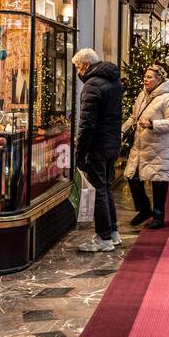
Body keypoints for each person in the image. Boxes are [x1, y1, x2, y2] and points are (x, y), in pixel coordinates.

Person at [72, 48, 123, 252]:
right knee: (106, 188)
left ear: (85, 64)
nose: (77, 72)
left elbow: (87, 124)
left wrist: (80, 152)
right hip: (112, 143)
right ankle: (113, 232)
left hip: (98, 145)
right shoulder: (114, 81)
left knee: (99, 190)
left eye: (77, 67)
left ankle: (104, 238)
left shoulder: (92, 85)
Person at [122, 65, 169, 228]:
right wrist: (122, 130)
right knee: (131, 176)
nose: (145, 80)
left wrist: (153, 124)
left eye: (150, 77)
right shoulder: (142, 95)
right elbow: (134, 117)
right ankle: (145, 209)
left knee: (159, 180)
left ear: (159, 79)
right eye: (145, 76)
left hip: (159, 146)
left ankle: (159, 217)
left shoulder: (167, 98)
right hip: (140, 144)